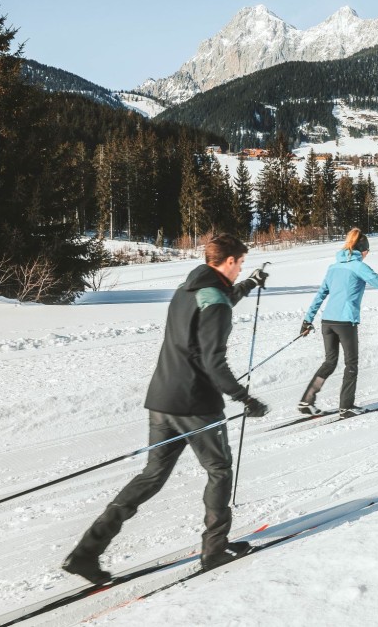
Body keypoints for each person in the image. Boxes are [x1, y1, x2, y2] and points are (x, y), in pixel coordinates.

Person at [62, 234, 271, 584]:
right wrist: (243, 397)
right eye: (242, 266)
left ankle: (86, 553)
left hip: (161, 399)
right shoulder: (215, 299)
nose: (241, 271)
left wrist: (249, 285)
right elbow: (213, 360)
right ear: (231, 261)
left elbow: (218, 305)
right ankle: (215, 548)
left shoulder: (188, 287)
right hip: (195, 404)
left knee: (152, 476)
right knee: (219, 469)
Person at [297, 228, 378, 417]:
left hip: (327, 322)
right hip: (345, 322)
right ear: (363, 250)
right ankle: (346, 406)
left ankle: (307, 400)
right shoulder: (359, 266)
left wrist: (307, 320)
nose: (367, 255)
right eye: (367, 252)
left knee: (330, 362)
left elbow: (320, 295)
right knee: (351, 364)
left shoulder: (333, 267)